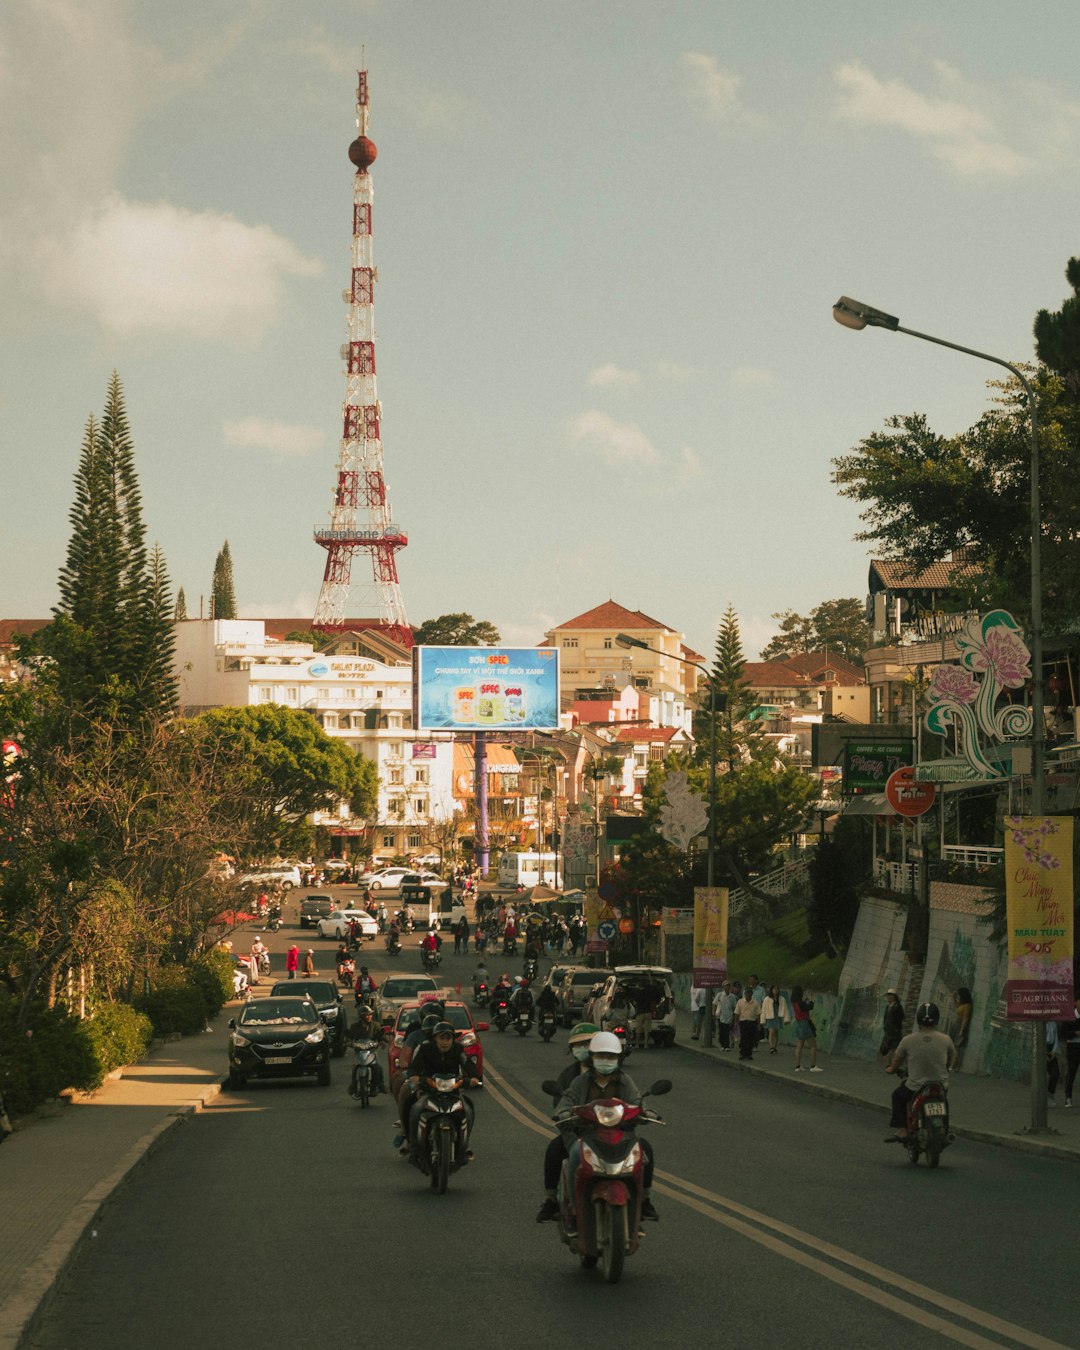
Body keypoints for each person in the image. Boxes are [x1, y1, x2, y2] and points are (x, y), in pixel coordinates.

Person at [537, 1031, 658, 1226]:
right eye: (601, 1056)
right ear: (592, 1057)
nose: (605, 1060)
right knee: (566, 1153)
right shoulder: (580, 1081)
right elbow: (566, 1100)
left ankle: (644, 1201)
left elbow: (637, 1101)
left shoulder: (625, 1080)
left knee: (645, 1151)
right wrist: (564, 1113)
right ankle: (567, 1206)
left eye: (610, 1057)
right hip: (587, 1137)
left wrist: (648, 1112)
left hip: (621, 1135)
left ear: (618, 1059)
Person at [405, 1021, 481, 1160]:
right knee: (413, 1107)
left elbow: (468, 1065)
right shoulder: (425, 1048)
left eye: (448, 1038)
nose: (445, 1042)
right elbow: (413, 1067)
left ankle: (464, 1146)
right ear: (435, 1038)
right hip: (428, 1088)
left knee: (468, 1108)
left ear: (453, 1039)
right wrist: (414, 1076)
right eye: (441, 1038)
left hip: (453, 1089)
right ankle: (413, 1147)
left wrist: (474, 1077)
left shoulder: (458, 1049)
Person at [885, 1002, 958, 1141]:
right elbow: (954, 1056)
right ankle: (945, 1129)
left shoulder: (908, 1040)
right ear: (936, 1019)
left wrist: (890, 1069)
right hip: (939, 1085)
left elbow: (896, 1062)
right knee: (944, 1101)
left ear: (918, 1019)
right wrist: (949, 1068)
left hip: (915, 1087)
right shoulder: (946, 1039)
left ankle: (902, 1130)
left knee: (898, 1096)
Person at [349, 1003, 387, 1098]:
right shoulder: (354, 1026)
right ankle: (353, 1086)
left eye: (370, 1014)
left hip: (371, 1052)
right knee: (354, 1068)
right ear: (361, 1016)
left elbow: (381, 1035)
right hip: (359, 1052)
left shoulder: (376, 1025)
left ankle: (379, 1085)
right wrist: (348, 1042)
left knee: (378, 1067)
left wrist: (382, 1041)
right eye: (367, 1015)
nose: (369, 1016)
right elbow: (349, 1037)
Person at [790, 984, 821, 1071]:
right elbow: (809, 1007)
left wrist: (806, 1001)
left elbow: (803, 1006)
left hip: (798, 1023)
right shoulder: (799, 1002)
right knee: (813, 1045)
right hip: (804, 1023)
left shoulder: (794, 1002)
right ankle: (813, 1066)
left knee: (799, 1045)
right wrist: (811, 999)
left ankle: (798, 1066)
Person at [734, 983, 761, 1061]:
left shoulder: (755, 1002)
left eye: (749, 992)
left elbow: (758, 1014)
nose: (748, 994)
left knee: (751, 1038)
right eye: (747, 993)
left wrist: (759, 1024)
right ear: (745, 993)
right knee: (743, 1038)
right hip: (743, 1022)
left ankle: (749, 1054)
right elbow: (737, 1012)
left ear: (752, 993)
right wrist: (736, 1023)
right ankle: (743, 1053)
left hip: (752, 1022)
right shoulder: (740, 1002)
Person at [759, 984, 787, 1055]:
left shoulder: (781, 999)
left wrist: (786, 1018)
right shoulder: (767, 999)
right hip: (770, 1017)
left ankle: (775, 1047)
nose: (776, 990)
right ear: (771, 990)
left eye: (777, 989)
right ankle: (771, 1047)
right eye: (774, 989)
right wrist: (762, 1019)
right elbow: (763, 1009)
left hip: (777, 1016)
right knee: (771, 1031)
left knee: (776, 1033)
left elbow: (784, 1008)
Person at [1063, 993, 1080, 1108]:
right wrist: (1075, 1033)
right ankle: (1068, 1097)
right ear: (1076, 1003)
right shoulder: (1070, 1017)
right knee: (1072, 1072)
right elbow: (1064, 1034)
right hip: (1073, 1047)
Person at [880, 989, 905, 1061]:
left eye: (890, 995)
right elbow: (885, 1018)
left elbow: (900, 1018)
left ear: (894, 997)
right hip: (888, 1031)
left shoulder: (898, 1006)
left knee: (893, 1048)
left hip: (895, 1032)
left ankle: (892, 1064)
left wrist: (896, 1029)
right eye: (888, 996)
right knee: (885, 1047)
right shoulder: (888, 1006)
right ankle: (886, 1062)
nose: (889, 997)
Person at [714, 981, 735, 1051]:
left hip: (729, 1016)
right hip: (720, 1015)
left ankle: (727, 1046)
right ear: (723, 987)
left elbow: (734, 1007)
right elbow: (715, 1004)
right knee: (721, 1031)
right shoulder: (720, 995)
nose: (727, 987)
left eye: (728, 986)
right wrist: (714, 1014)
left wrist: (734, 1017)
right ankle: (722, 1044)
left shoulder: (732, 996)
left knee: (726, 1031)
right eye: (725, 986)